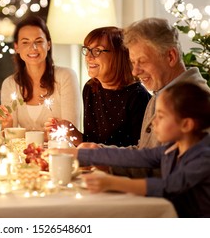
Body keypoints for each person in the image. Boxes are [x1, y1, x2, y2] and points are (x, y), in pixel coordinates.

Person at [75, 17, 209, 178]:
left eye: (142, 62)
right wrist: (100, 153)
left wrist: (104, 160)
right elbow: (145, 153)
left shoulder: (193, 101)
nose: (135, 72)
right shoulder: (163, 93)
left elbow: (164, 170)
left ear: (171, 56)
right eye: (133, 62)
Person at [61, 82, 210, 218]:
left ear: (186, 125)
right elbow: (135, 156)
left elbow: (168, 187)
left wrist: (112, 182)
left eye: (161, 116)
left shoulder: (204, 157)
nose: (153, 122)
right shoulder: (172, 148)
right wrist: (79, 154)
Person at [45, 26, 151, 147]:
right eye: (88, 50)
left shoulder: (137, 96)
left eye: (97, 51)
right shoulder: (90, 88)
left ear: (118, 55)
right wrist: (70, 130)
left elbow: (139, 153)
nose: (89, 57)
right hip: (94, 164)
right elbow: (91, 143)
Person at [0, 15, 81, 134]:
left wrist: (28, 137)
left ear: (48, 44)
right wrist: (7, 125)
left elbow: (71, 132)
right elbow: (10, 136)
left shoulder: (66, 77)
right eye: (25, 42)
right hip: (23, 152)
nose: (33, 48)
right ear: (17, 47)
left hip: (59, 151)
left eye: (39, 41)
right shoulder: (10, 84)